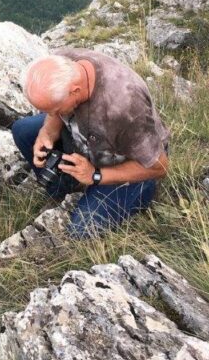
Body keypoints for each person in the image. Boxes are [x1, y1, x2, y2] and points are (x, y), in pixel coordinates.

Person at [11, 49, 170, 237]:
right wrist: (47, 132)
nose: (52, 115)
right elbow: (54, 116)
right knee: (23, 130)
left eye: (55, 109)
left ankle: (136, 194)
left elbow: (159, 167)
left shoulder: (124, 108)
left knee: (82, 230)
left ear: (75, 91)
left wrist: (95, 175)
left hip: (123, 161)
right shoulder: (63, 62)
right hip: (87, 139)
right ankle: (64, 189)